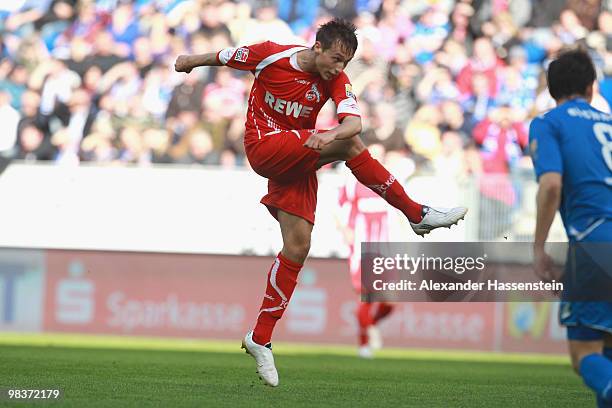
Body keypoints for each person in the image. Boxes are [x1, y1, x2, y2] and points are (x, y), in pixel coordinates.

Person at [175, 19, 467, 387]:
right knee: (348, 148)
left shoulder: (335, 80)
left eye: (345, 62)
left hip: (299, 155)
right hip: (264, 146)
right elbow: (225, 55)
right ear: (317, 47)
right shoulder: (270, 55)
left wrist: (327, 133)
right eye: (335, 58)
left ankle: (260, 337)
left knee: (298, 247)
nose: (338, 67)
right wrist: (190, 60)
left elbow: (353, 124)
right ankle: (416, 213)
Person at [529, 48, 612, 407]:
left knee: (583, 354)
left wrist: (538, 247)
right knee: (607, 350)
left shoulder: (550, 123)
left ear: (551, 89)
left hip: (595, 239)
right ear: (592, 88)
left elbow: (550, 185)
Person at [337, 144, 394, 359]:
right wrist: (345, 230)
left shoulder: (388, 179)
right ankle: (364, 343)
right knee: (367, 296)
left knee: (390, 301)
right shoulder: (353, 179)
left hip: (384, 247)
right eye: (374, 154)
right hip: (362, 245)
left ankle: (370, 325)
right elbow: (337, 208)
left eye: (381, 155)